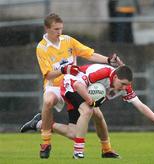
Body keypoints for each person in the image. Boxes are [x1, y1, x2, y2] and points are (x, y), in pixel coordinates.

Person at [22, 64, 154, 159]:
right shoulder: (101, 73)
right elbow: (79, 86)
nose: (123, 88)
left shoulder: (124, 86)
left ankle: (39, 123)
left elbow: (140, 105)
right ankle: (78, 152)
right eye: (121, 84)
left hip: (84, 91)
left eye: (126, 85)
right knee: (88, 111)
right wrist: (90, 100)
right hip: (71, 84)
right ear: (114, 76)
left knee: (82, 127)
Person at [24, 12, 123, 159]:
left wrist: (108, 60)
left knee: (95, 117)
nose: (60, 32)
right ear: (47, 29)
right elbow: (48, 75)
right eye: (56, 29)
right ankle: (45, 143)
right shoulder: (42, 48)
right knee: (48, 100)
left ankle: (106, 149)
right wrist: (64, 69)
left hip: (73, 86)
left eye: (61, 28)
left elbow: (89, 54)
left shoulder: (68, 40)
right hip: (55, 86)